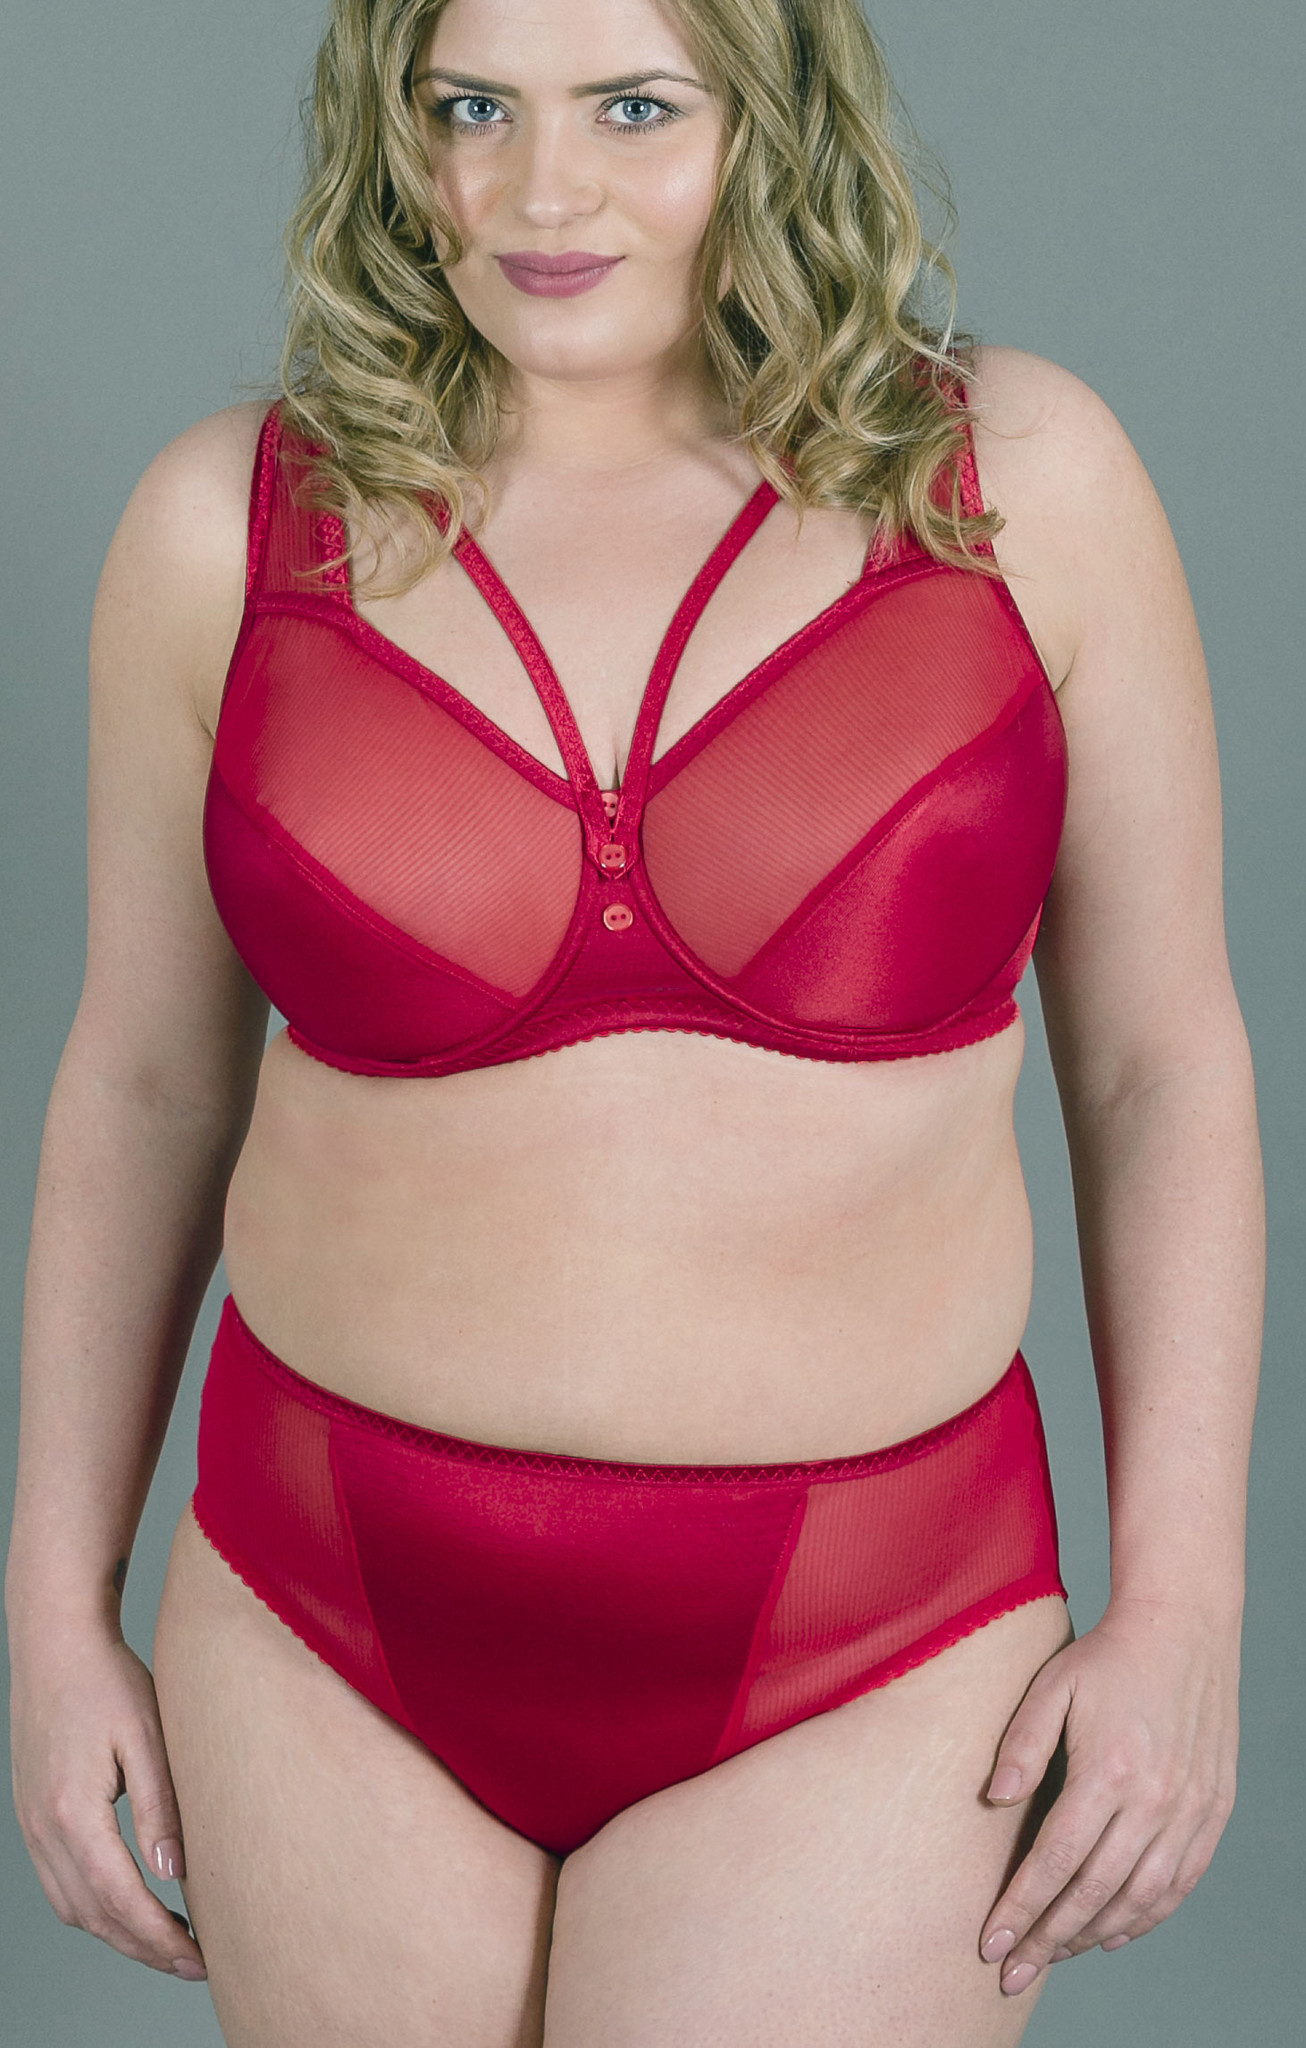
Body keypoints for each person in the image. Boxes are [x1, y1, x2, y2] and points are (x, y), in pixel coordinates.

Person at [5, 0, 1263, 2042]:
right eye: (469, 107)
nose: (540, 190)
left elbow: (1157, 1067)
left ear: (768, 118)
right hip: (323, 1608)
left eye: (631, 107)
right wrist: (50, 1616)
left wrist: (1187, 1603)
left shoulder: (1017, 483)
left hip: (872, 1629)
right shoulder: (218, 529)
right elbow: (144, 1083)